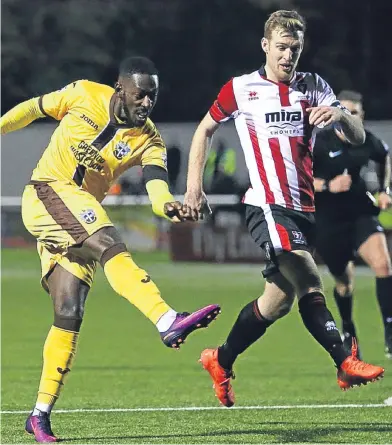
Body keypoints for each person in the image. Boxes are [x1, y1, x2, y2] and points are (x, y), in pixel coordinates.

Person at [0, 56, 220, 441]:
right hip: (47, 192)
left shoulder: (149, 139)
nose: (146, 104)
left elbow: (156, 189)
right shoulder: (83, 93)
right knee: (109, 243)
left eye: (152, 96)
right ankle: (166, 319)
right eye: (139, 95)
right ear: (121, 89)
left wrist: (169, 206)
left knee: (69, 312)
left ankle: (39, 413)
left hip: (77, 217)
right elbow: (31, 110)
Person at [183, 10, 385, 408]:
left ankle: (220, 360)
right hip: (267, 205)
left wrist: (341, 114)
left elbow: (358, 137)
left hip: (303, 209)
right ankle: (345, 360)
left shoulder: (313, 87)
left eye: (295, 48)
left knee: (276, 302)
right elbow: (205, 127)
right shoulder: (242, 89)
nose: (288, 56)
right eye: (281, 48)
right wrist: (194, 187)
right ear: (265, 46)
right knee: (310, 279)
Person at [313, 90, 392, 359]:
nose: (348, 117)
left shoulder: (366, 140)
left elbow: (385, 157)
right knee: (344, 283)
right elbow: (298, 179)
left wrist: (385, 190)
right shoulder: (319, 142)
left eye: (354, 112)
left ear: (361, 116)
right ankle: (348, 328)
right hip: (328, 221)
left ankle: (390, 333)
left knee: (383, 264)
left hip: (361, 213)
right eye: (343, 111)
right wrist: (327, 185)